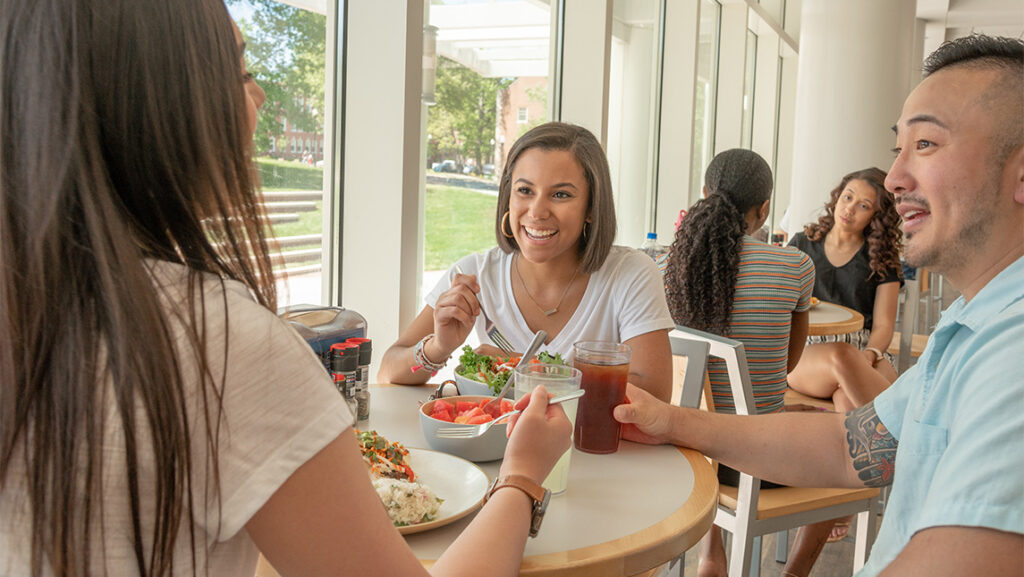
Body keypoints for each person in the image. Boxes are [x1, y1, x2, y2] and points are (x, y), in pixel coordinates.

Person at [0, 2, 572, 576]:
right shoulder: (218, 342)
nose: (261, 98)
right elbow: (398, 366)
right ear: (164, 103)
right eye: (242, 71)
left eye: (562, 195)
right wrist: (522, 476)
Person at [614, 34, 1024, 577]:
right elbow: (856, 446)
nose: (896, 178)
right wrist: (670, 421)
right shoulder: (972, 322)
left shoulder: (1012, 349)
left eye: (925, 144)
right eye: (898, 147)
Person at [379, 122, 675, 402]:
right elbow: (388, 372)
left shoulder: (631, 274)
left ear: (591, 207)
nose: (537, 211)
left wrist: (524, 370)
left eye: (560, 194)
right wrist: (440, 346)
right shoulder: (474, 273)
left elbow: (654, 392)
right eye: (525, 191)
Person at [662, 148, 816, 576]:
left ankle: (712, 556)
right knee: (845, 454)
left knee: (719, 416)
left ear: (704, 194)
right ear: (764, 210)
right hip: (758, 460)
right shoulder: (795, 266)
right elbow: (786, 367)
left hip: (688, 456)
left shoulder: (668, 268)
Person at [785, 168, 904, 549]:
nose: (849, 208)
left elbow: (884, 325)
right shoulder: (803, 243)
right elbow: (783, 307)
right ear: (838, 196)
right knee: (845, 366)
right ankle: (893, 462)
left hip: (864, 349)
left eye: (864, 204)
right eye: (848, 196)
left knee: (848, 403)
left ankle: (843, 491)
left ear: (877, 216)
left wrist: (869, 353)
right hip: (808, 354)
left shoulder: (883, 259)